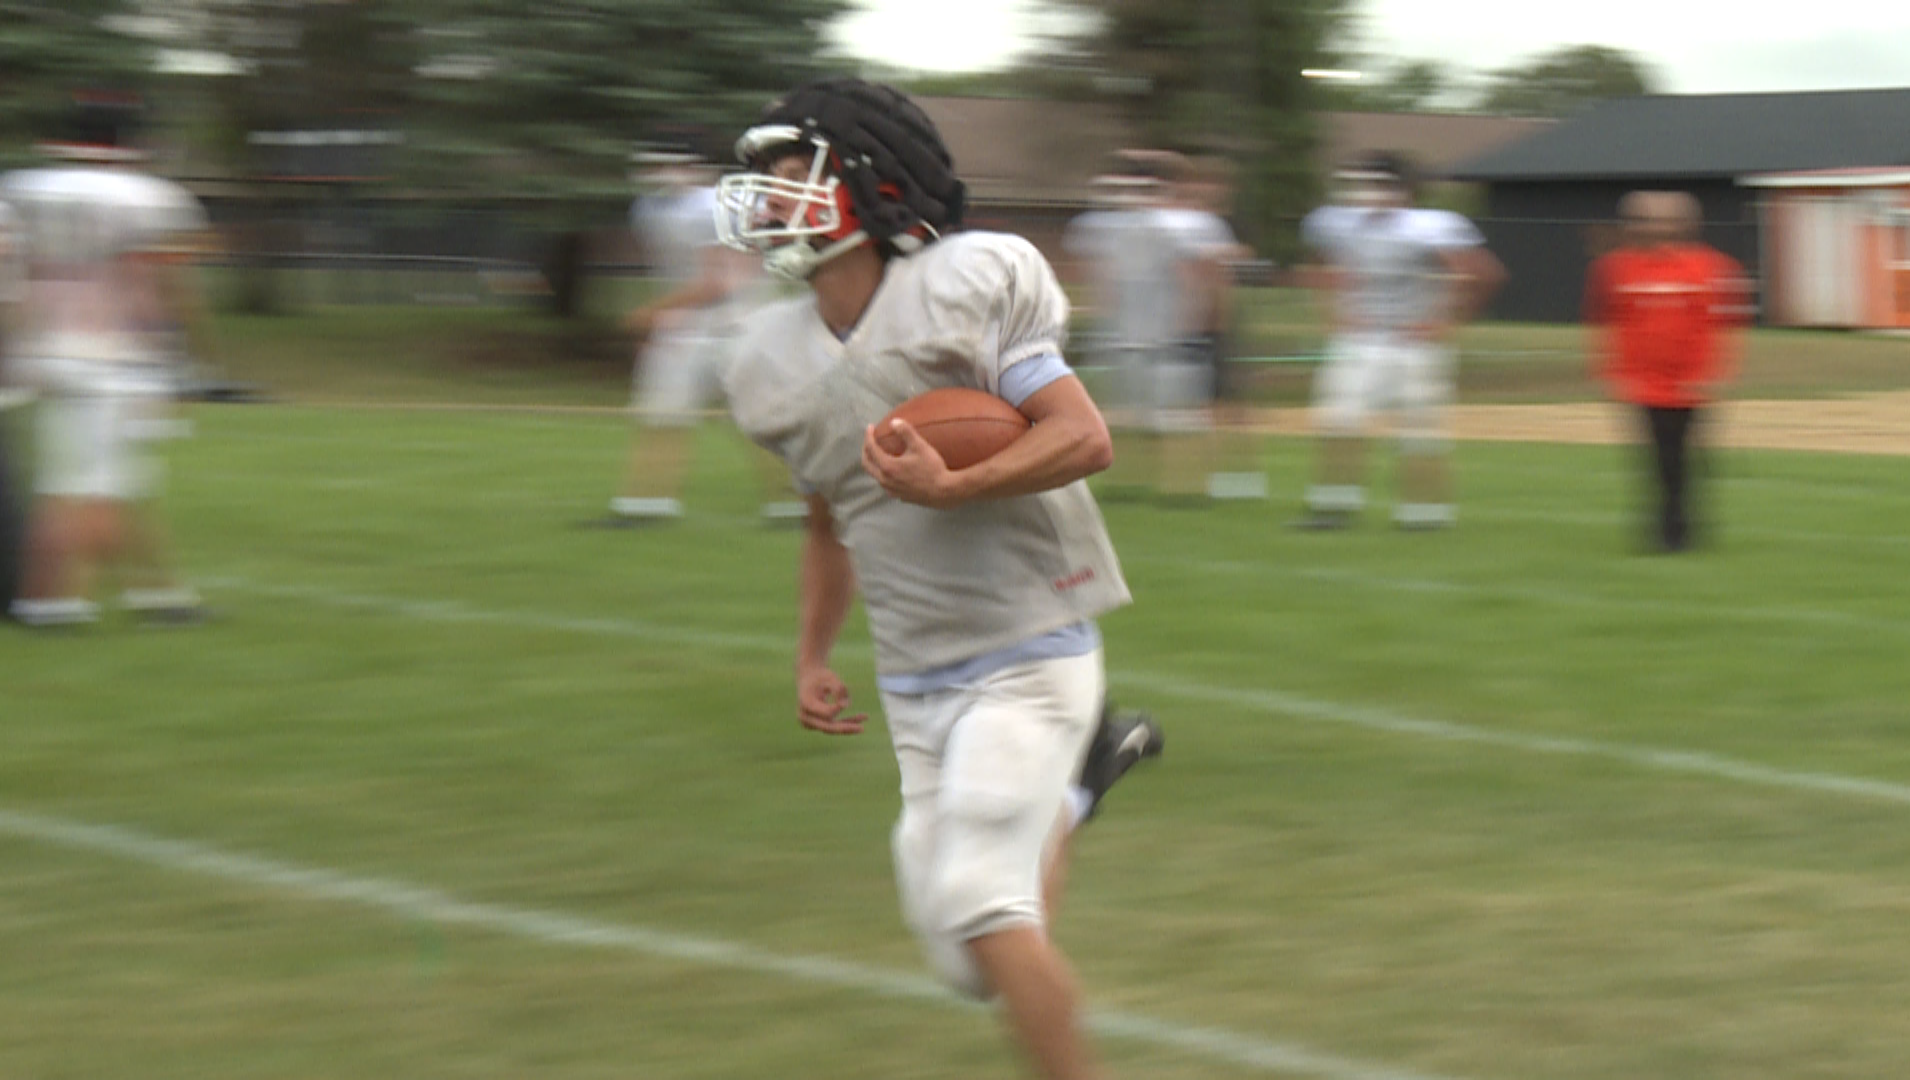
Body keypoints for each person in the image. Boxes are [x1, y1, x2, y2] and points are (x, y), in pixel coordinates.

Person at [713, 77, 1164, 1080]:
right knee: (969, 963)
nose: (775, 198)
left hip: (1026, 650)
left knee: (980, 901)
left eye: (798, 173)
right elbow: (830, 515)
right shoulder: (766, 356)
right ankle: (1082, 784)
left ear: (868, 184)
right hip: (914, 679)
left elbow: (1083, 436)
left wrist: (955, 483)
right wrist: (810, 654)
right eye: (770, 180)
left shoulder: (965, 283)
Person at [2, 93, 213, 628]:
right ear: (130, 140)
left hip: (42, 350)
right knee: (84, 487)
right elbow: (165, 279)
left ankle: (159, 597)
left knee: (114, 481)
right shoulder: (149, 196)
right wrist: (196, 348)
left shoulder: (20, 190)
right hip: (116, 357)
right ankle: (49, 603)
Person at [1294, 151, 1504, 530]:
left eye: (1374, 183)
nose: (1364, 192)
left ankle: (1424, 515)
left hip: (1413, 344)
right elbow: (1318, 265)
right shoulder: (1340, 224)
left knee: (1420, 430)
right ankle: (1333, 507)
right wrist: (1333, 313)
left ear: (1401, 189)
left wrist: (1444, 322)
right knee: (1338, 422)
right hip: (1361, 339)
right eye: (1361, 182)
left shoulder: (1429, 226)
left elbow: (1483, 273)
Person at [604, 140, 802, 525]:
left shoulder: (715, 206)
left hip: (736, 325)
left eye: (666, 161)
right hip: (688, 327)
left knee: (760, 420)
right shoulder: (652, 208)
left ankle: (795, 504)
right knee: (661, 415)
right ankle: (644, 505)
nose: (657, 172)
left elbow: (719, 283)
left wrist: (652, 313)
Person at [1584, 191, 1752, 552]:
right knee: (1657, 459)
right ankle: (1667, 530)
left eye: (1663, 220)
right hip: (1642, 383)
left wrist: (1713, 373)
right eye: (1644, 220)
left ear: (1687, 224)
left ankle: (1678, 531)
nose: (1654, 227)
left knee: (1683, 458)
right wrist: (1611, 372)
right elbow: (1607, 322)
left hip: (1689, 384)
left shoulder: (1712, 268)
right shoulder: (1614, 269)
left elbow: (1723, 325)